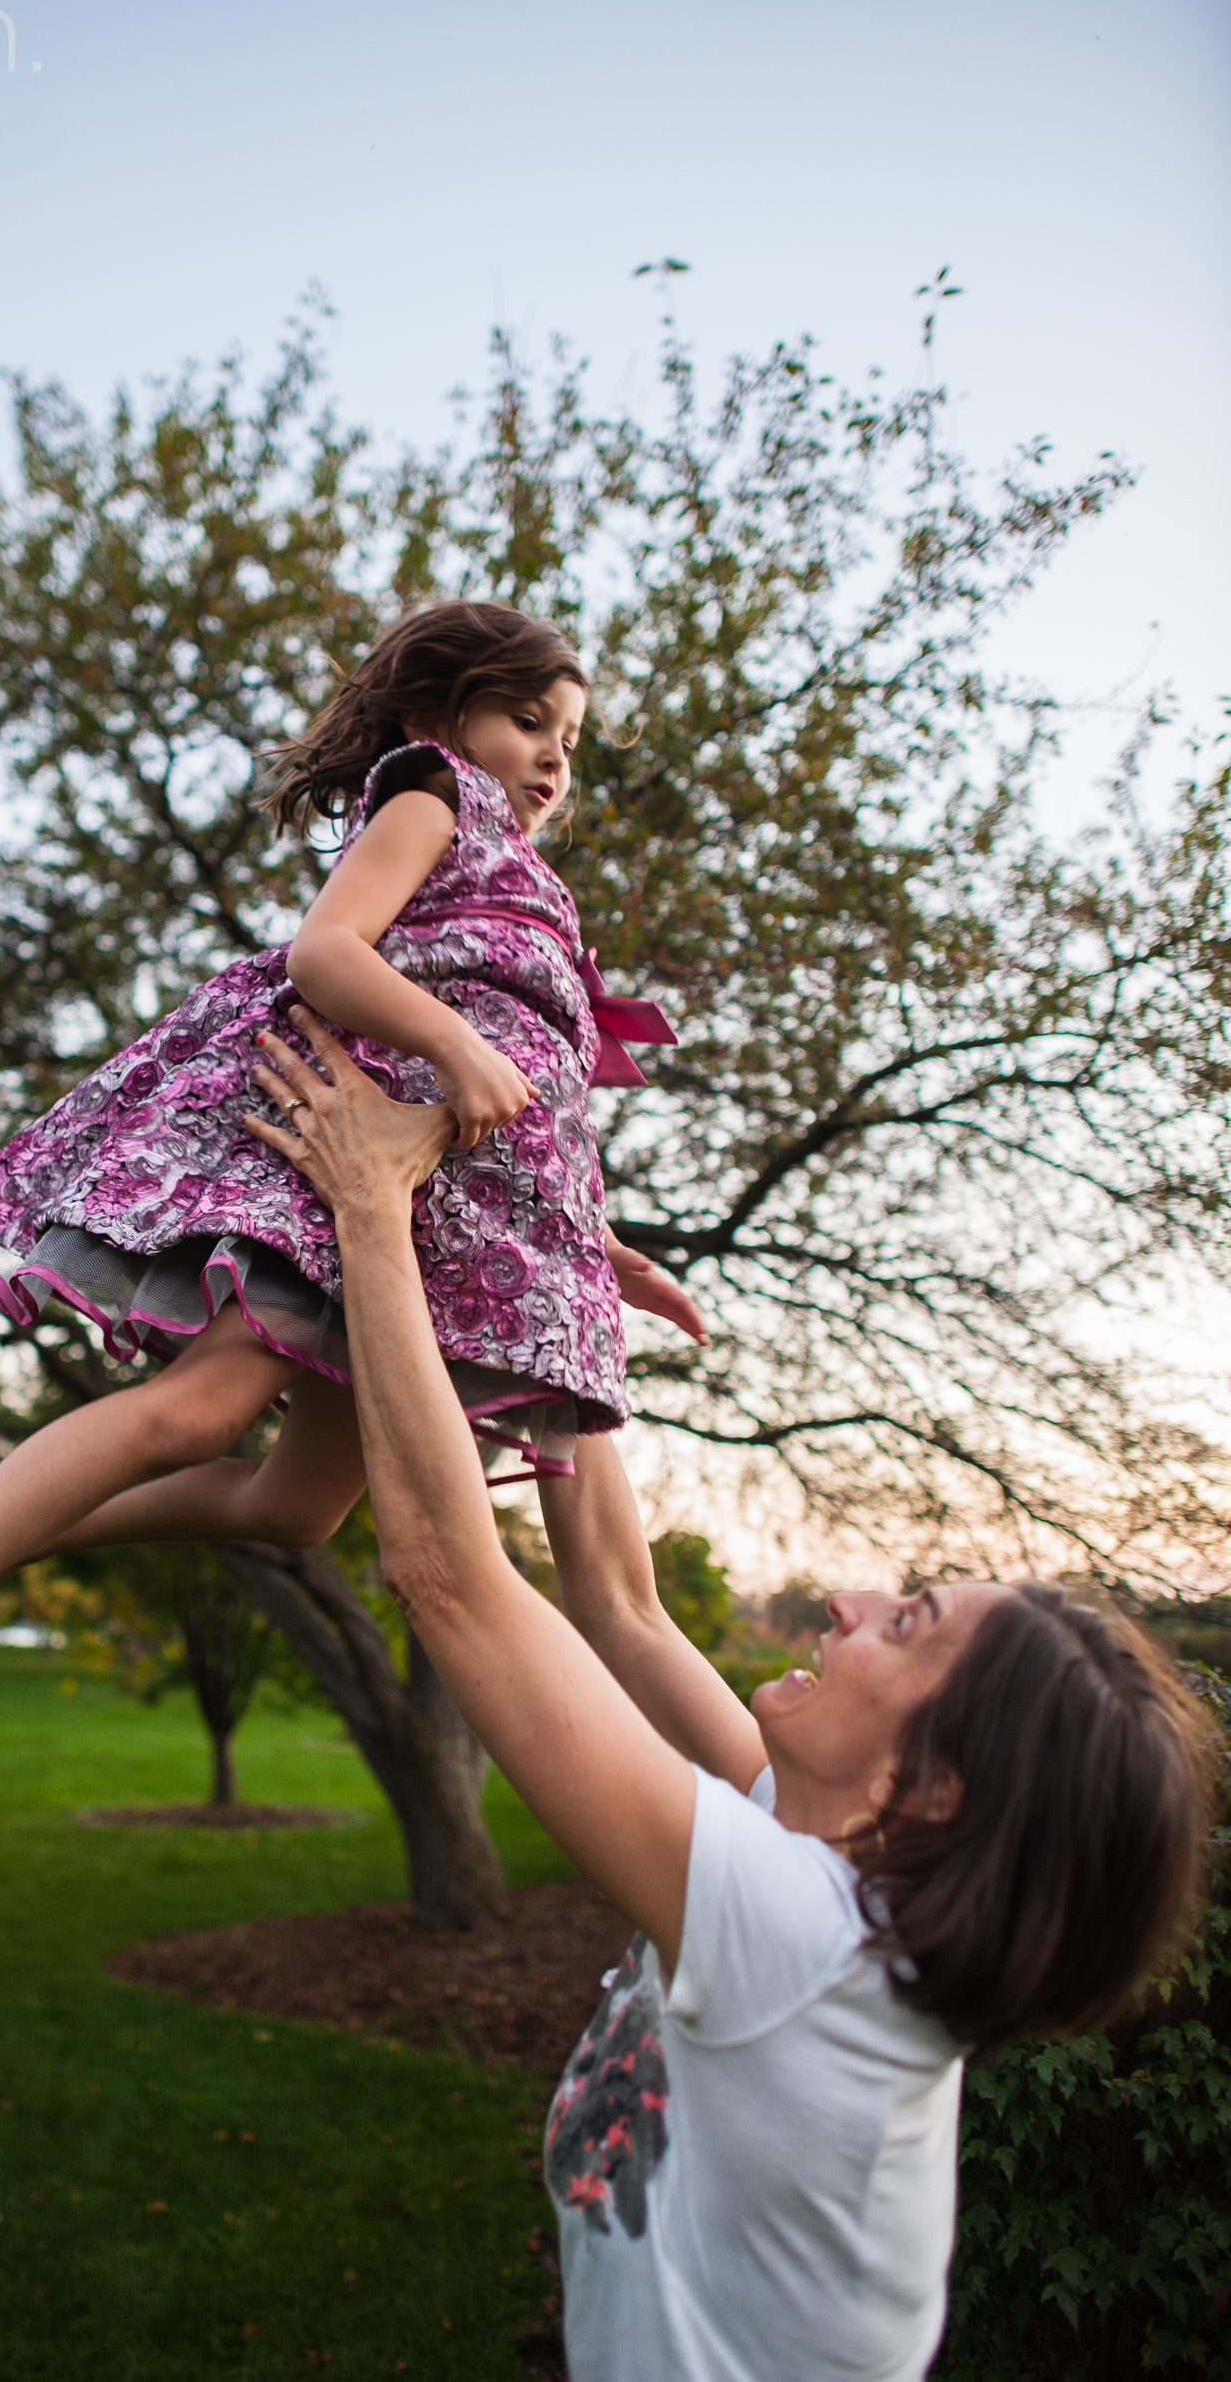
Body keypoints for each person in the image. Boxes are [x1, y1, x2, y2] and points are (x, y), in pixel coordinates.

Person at [242, 1009, 1214, 2382]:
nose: (849, 1602)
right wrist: (560, 1285)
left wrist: (371, 1203)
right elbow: (625, 1608)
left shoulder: (809, 1952)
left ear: (940, 1786)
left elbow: (452, 1578)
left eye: (909, 1622)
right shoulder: (814, 1859)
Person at [0, 601, 702, 1827]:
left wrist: (593, 1243)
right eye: (528, 721)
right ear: (437, 719)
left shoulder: (541, 893)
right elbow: (327, 952)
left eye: (570, 740)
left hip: (434, 1219)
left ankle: (8, 1533)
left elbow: (530, 1109)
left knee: (296, 1508)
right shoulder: (432, 798)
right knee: (201, 1408)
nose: (553, 757)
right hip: (340, 1158)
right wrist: (448, 1041)